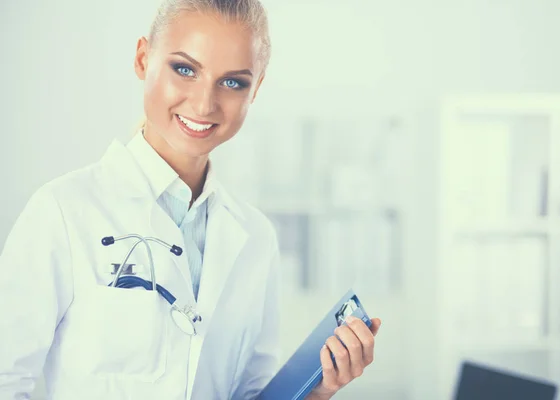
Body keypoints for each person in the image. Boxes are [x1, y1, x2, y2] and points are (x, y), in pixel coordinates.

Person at [0, 0, 382, 399]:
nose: (204, 104)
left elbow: (250, 391)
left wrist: (319, 389)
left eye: (233, 82)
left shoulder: (255, 237)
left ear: (256, 89)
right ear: (143, 59)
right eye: (185, 69)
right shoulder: (62, 211)